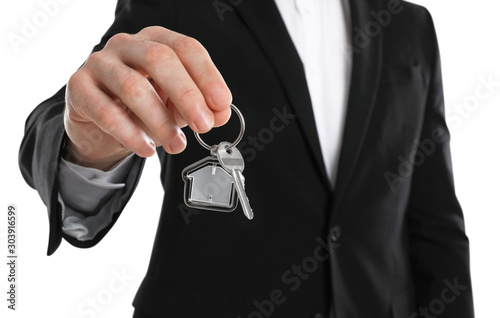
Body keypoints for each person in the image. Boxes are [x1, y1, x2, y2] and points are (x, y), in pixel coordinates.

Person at [19, 0, 475, 317]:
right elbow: (79, 106)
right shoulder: (180, 7)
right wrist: (90, 147)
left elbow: (436, 223)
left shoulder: (409, 25)